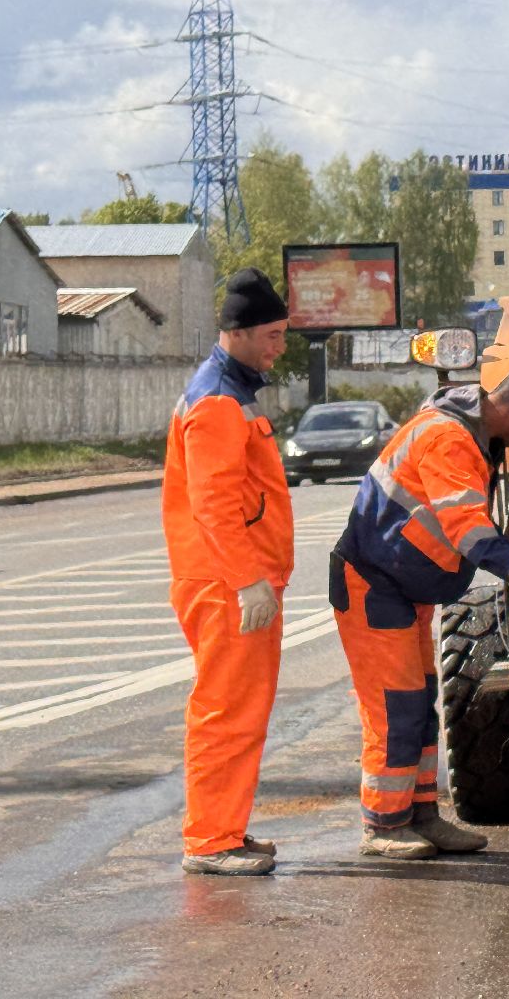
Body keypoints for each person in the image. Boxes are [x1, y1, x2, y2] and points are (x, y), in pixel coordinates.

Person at [329, 362, 509, 860]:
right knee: (395, 709)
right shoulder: (449, 439)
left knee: (419, 705)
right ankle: (383, 825)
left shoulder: (468, 432)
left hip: (401, 589)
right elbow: (466, 528)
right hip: (374, 587)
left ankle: (420, 817)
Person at [163, 268, 293, 876]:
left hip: (231, 582)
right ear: (237, 333)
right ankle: (211, 840)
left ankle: (225, 830)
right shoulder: (217, 401)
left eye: (283, 334)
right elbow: (213, 505)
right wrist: (247, 581)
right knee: (226, 710)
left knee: (239, 710)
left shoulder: (227, 391)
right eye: (271, 334)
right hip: (225, 586)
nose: (279, 345)